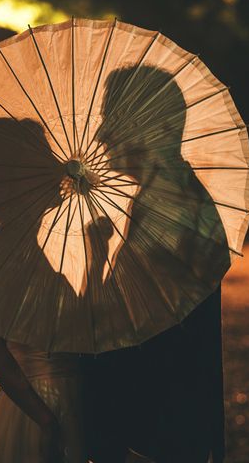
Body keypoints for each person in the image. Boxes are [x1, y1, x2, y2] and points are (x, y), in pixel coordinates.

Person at [82, 64, 230, 463]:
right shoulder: (167, 196)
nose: (101, 135)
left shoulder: (169, 207)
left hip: (158, 422)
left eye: (111, 118)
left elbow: (133, 319)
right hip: (171, 417)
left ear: (153, 126)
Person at [0, 117, 89, 463]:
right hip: (39, 409)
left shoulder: (24, 243)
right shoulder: (8, 250)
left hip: (64, 403)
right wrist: (44, 419)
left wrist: (98, 261)